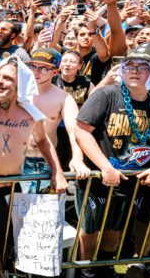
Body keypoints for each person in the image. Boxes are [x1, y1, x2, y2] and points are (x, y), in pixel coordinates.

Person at [74, 44, 150, 278]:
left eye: (142, 67)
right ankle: (85, 270)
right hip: (99, 179)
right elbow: (81, 130)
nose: (134, 71)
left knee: (115, 230)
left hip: (132, 180)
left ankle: (105, 267)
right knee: (89, 229)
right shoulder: (106, 94)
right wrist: (104, 167)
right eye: (129, 66)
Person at [0, 56, 68, 278]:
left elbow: (43, 141)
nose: (0, 81)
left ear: (20, 85)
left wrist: (57, 171)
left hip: (11, 191)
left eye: (8, 78)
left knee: (6, 248)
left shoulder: (30, 114)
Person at [23, 48, 89, 193]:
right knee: (15, 211)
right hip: (18, 160)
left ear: (55, 71)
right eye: (33, 66)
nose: (36, 72)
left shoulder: (63, 98)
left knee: (44, 211)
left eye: (44, 68)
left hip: (47, 162)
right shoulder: (19, 93)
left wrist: (77, 157)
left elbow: (74, 132)